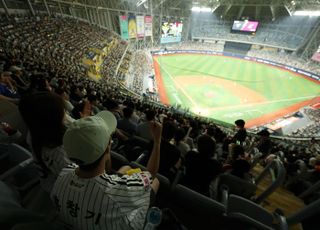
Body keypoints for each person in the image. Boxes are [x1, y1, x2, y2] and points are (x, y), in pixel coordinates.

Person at [51, 111, 162, 230]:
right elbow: (150, 175)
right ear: (108, 148)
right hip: (123, 220)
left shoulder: (64, 173)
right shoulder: (121, 189)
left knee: (126, 168)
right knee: (155, 182)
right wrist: (157, 141)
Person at [19, 91, 71, 192]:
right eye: (63, 110)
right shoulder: (60, 153)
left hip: (47, 182)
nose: (66, 113)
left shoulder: (34, 132)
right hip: (61, 192)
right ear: (54, 118)